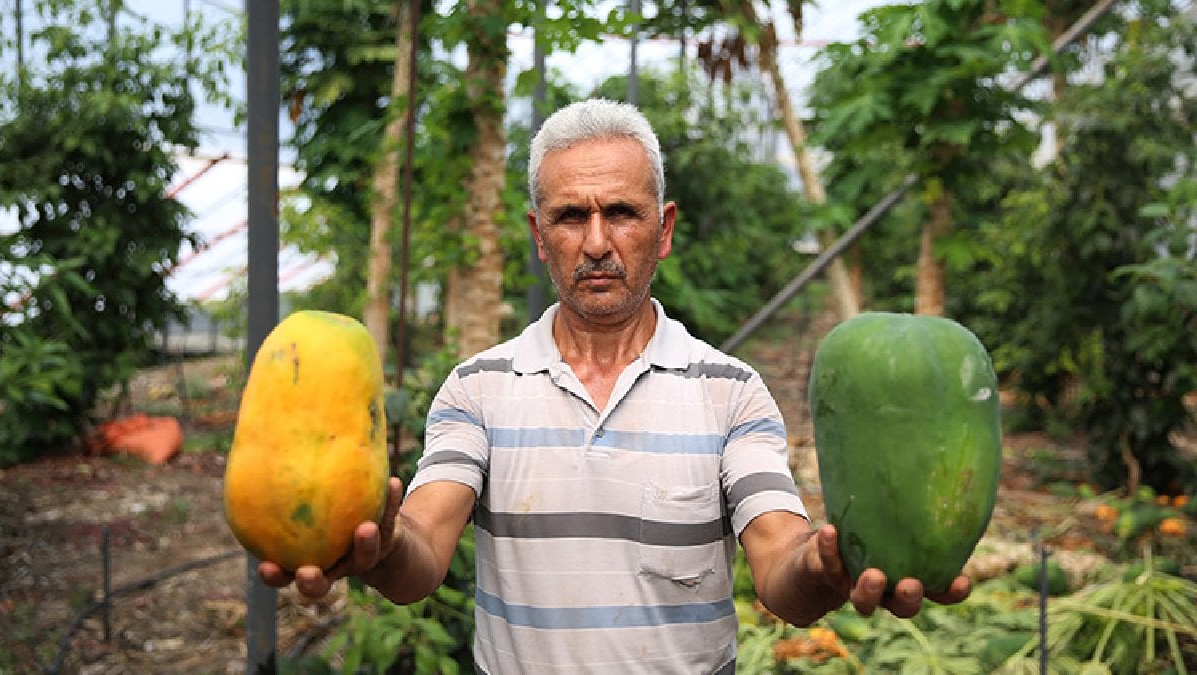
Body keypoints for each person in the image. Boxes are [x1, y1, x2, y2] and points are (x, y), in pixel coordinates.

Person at [259, 98, 971, 673]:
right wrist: (378, 545)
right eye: (572, 216)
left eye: (622, 213)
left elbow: (781, 567)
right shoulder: (478, 388)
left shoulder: (731, 390)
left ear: (661, 231)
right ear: (541, 235)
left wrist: (825, 567)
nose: (596, 242)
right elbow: (421, 555)